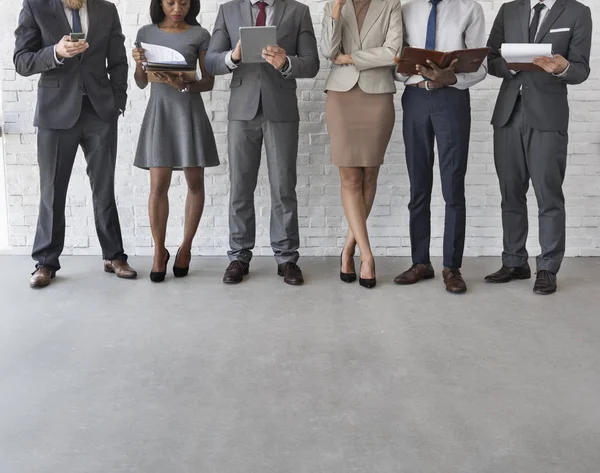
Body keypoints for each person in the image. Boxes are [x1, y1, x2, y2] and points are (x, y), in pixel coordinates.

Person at [14, 0, 137, 289]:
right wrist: (55, 52)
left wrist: (118, 102)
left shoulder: (106, 9)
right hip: (55, 113)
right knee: (52, 191)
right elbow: (21, 61)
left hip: (100, 112)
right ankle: (46, 262)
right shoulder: (35, 6)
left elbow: (118, 60)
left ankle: (114, 256)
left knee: (104, 187)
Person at [206, 0, 319, 286]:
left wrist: (286, 62)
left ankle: (286, 259)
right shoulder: (228, 10)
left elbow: (312, 63)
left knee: (283, 186)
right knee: (240, 186)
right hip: (241, 109)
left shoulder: (298, 11)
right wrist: (233, 56)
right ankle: (239, 256)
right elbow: (210, 60)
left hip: (280, 108)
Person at [485, 0, 592, 295]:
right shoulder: (509, 9)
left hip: (547, 117)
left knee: (548, 195)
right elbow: (490, 58)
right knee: (511, 193)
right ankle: (515, 262)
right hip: (508, 113)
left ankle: (547, 268)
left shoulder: (578, 12)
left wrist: (563, 67)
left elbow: (581, 69)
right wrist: (507, 65)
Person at [393, 0, 487, 294]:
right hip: (415, 99)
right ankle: (420, 262)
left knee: (452, 186)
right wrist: (406, 70)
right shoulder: (406, 10)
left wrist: (452, 77)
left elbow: (480, 66)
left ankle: (451, 267)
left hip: (451, 99)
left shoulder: (470, 9)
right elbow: (396, 63)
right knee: (418, 185)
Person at [132, 0, 219, 283]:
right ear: (160, 3)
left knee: (195, 183)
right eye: (170, 2)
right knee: (158, 186)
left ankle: (186, 247)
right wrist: (137, 64)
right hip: (160, 113)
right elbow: (141, 82)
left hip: (189, 113)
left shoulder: (199, 34)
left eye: (183, 2)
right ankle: (159, 251)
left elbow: (209, 81)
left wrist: (183, 82)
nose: (177, 7)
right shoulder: (146, 32)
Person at [320, 0, 403, 289]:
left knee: (369, 175)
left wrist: (351, 58)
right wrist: (335, 10)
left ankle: (348, 249)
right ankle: (367, 256)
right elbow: (328, 52)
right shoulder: (334, 6)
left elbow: (393, 53)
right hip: (341, 97)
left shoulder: (391, 5)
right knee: (351, 178)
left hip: (377, 95)